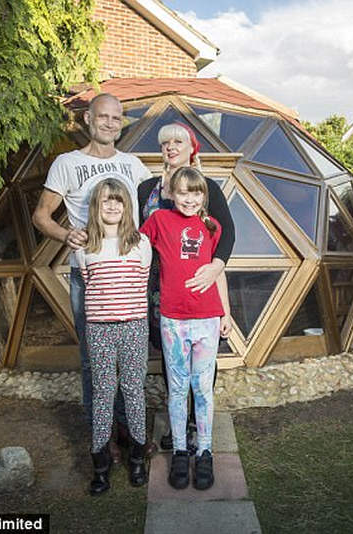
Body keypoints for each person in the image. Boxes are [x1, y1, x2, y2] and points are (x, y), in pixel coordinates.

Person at [32, 93, 152, 459]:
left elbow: (157, 206)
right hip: (90, 275)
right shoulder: (66, 163)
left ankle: (131, 433)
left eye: (117, 119)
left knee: (131, 364)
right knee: (92, 360)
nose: (110, 124)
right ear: (88, 119)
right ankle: (104, 439)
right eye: (104, 117)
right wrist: (65, 234)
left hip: (128, 275)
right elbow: (41, 216)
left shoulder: (133, 165)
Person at [137, 122, 235, 452]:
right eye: (165, 142)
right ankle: (180, 424)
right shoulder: (147, 189)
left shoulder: (204, 187)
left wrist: (215, 267)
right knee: (171, 360)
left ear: (192, 148)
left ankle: (196, 424)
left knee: (203, 361)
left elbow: (225, 235)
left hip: (198, 285)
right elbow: (138, 237)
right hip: (158, 287)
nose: (171, 147)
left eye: (178, 141)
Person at [74, 179, 152, 496]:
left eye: (118, 200)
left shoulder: (140, 243)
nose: (112, 206)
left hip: (133, 327)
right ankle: (101, 466)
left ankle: (136, 459)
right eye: (106, 200)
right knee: (103, 393)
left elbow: (143, 282)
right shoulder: (84, 247)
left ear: (126, 206)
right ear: (97, 205)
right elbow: (89, 282)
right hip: (100, 329)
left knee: (133, 391)